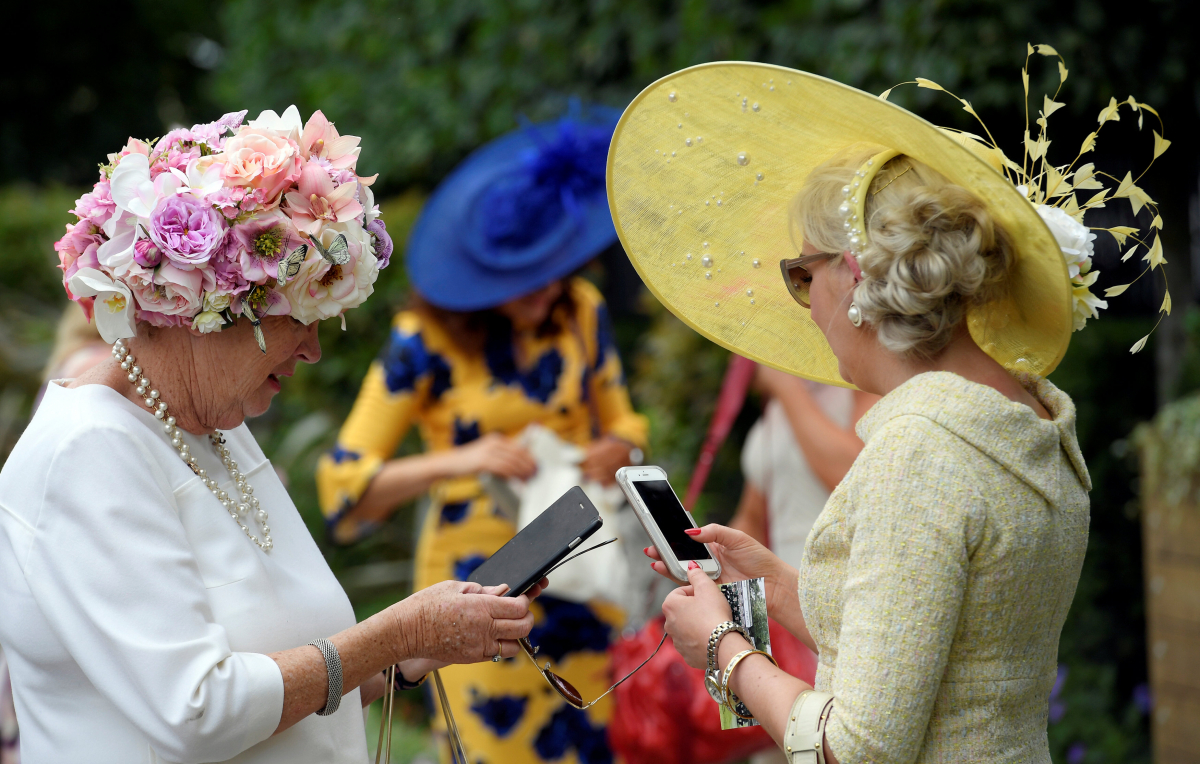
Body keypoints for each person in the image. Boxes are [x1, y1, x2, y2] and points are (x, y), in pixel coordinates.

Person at [609, 56, 1164, 763]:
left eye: (801, 273)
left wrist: (723, 649)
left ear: (855, 272)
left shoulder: (920, 453)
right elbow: (938, 640)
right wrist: (772, 585)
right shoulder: (1028, 421)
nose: (803, 302)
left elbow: (858, 748)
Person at [0, 106, 541, 763]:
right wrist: (392, 635)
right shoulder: (86, 450)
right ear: (209, 308)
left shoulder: (212, 422)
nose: (313, 349)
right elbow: (199, 711)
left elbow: (287, 682)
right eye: (302, 317)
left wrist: (411, 654)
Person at [316, 106, 648, 764]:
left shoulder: (582, 310)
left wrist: (622, 448)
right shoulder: (424, 340)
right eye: (522, 278)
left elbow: (625, 420)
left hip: (581, 570)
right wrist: (460, 459)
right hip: (477, 586)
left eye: (552, 268)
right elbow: (346, 482)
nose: (542, 288)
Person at [730, 368, 875, 568]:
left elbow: (855, 480)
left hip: (841, 575)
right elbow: (753, 519)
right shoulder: (775, 408)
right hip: (784, 581)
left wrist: (785, 383)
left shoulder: (863, 388)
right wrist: (711, 552)